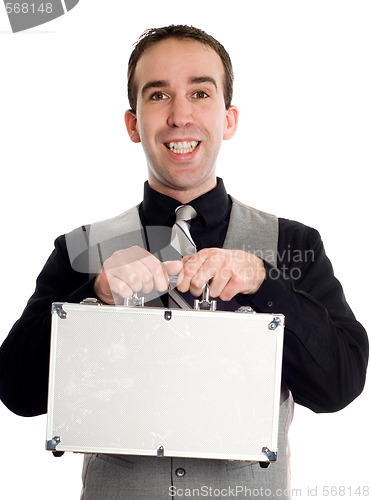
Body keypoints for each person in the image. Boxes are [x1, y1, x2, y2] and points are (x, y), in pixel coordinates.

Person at [0, 24, 368, 500]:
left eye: (200, 92)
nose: (179, 115)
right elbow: (17, 391)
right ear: (133, 124)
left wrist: (267, 285)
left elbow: (340, 385)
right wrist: (93, 298)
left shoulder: (293, 244)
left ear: (228, 119)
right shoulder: (83, 248)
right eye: (158, 96)